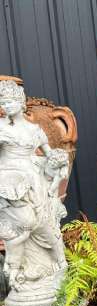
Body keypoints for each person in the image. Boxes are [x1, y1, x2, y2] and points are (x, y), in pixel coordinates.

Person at [0, 79, 67, 292]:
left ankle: (56, 267)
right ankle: (17, 271)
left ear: (21, 103)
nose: (6, 106)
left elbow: (49, 154)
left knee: (44, 223)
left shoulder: (34, 129)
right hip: (10, 181)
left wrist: (58, 159)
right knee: (22, 225)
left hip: (33, 179)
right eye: (3, 102)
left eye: (10, 101)